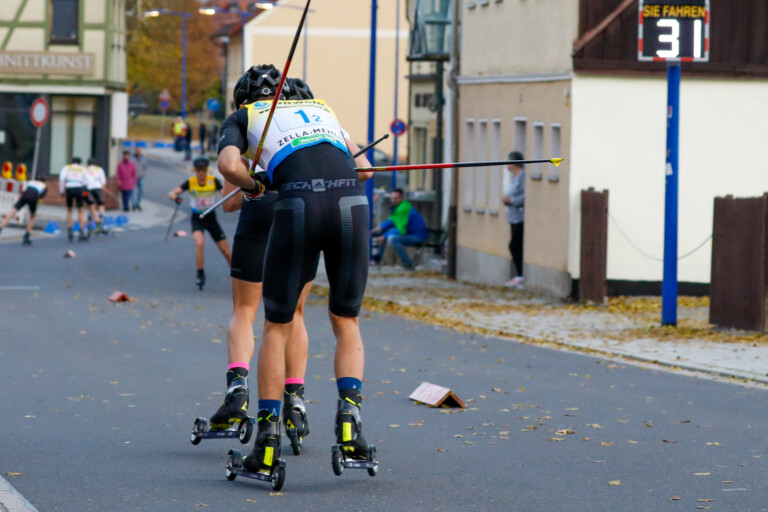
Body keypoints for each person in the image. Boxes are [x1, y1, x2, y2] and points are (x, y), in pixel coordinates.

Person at [217, 65, 374, 477]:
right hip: (351, 206)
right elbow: (366, 169)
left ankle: (267, 444)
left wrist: (256, 186)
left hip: (299, 204)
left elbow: (229, 166)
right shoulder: (322, 108)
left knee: (277, 324)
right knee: (347, 321)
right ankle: (349, 424)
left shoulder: (245, 116)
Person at [207, 79, 317, 454]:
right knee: (294, 315)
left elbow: (229, 204)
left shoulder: (246, 129)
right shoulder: (301, 126)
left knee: (245, 310)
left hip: (257, 221)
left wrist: (253, 184)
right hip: (298, 216)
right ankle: (295, 398)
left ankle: (238, 385)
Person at [167, 156, 231, 290]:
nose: (201, 173)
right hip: (197, 218)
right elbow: (172, 193)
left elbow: (225, 195)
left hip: (211, 218)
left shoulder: (213, 181)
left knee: (225, 251)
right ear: (195, 171)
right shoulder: (191, 182)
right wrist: (175, 197)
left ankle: (237, 274)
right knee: (199, 243)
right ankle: (200, 274)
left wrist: (228, 202)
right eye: (198, 170)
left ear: (206, 170)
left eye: (203, 170)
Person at [371, 188, 427, 270]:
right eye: (392, 198)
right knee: (385, 233)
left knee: (392, 238)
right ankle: (377, 260)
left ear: (402, 198)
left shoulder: (403, 208)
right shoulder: (399, 207)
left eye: (396, 198)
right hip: (411, 234)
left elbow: (401, 230)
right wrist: (379, 228)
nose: (394, 200)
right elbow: (391, 221)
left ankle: (407, 264)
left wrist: (385, 236)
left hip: (417, 236)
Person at [503, 150, 525, 288]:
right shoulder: (513, 177)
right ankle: (518, 275)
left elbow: (526, 195)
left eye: (508, 160)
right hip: (513, 216)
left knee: (515, 245)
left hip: (521, 216)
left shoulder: (522, 177)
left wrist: (512, 200)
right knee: (514, 245)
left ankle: (520, 275)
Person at [0, 179, 47, 245]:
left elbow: (24, 190)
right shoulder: (43, 185)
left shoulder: (31, 182)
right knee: (32, 217)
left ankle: (1, 227)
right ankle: (26, 236)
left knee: (12, 212)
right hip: (33, 198)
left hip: (25, 196)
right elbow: (41, 196)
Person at [59, 156, 88, 242]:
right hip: (79, 188)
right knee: (80, 210)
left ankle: (70, 229)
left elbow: (61, 179)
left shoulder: (67, 168)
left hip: (69, 188)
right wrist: (85, 191)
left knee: (69, 210)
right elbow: (86, 181)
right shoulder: (82, 168)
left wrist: (61, 191)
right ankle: (81, 231)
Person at [84, 158, 107, 234]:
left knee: (91, 206)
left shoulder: (85, 169)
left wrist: (83, 195)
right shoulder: (99, 169)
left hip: (87, 190)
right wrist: (103, 189)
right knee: (101, 204)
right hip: (98, 188)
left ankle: (95, 222)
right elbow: (103, 182)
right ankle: (101, 219)